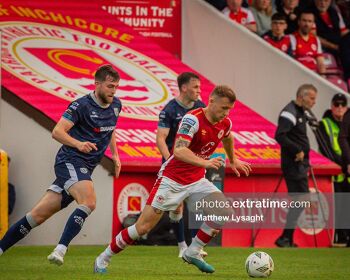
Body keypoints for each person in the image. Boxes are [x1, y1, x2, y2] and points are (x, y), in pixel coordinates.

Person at [94, 85, 252, 274]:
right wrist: (205, 162)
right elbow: (178, 150)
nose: (226, 113)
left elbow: (227, 137)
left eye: (229, 110)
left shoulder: (225, 123)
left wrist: (233, 160)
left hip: (195, 180)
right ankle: (103, 258)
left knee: (222, 211)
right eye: (223, 108)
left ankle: (193, 251)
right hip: (171, 180)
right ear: (211, 102)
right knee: (142, 228)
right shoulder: (192, 119)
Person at [0, 65, 122, 265]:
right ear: (97, 84)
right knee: (89, 202)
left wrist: (116, 156)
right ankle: (60, 249)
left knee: (36, 217)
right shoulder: (80, 105)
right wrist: (78, 144)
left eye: (116, 87)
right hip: (70, 160)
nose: (113, 91)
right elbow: (57, 131)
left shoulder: (116, 105)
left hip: (84, 167)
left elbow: (111, 130)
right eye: (110, 86)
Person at [156, 72, 206, 258]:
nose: (198, 91)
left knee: (197, 203)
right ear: (184, 88)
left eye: (199, 87)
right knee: (176, 207)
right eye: (195, 87)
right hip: (174, 164)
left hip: (193, 163)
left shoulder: (201, 107)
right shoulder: (169, 110)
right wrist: (170, 159)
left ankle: (195, 247)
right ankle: (182, 246)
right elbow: (160, 138)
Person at [274, 84, 318, 247]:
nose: (314, 102)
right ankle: (285, 238)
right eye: (312, 98)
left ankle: (286, 238)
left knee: (300, 201)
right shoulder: (289, 112)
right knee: (301, 200)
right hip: (293, 164)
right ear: (302, 96)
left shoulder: (301, 111)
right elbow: (279, 135)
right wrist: (297, 150)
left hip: (300, 164)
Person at [317, 93, 349, 246]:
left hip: (347, 172)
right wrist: (344, 165)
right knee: (339, 207)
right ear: (331, 106)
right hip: (335, 173)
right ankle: (341, 237)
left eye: (343, 105)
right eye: (337, 104)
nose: (340, 108)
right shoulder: (324, 124)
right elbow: (326, 150)